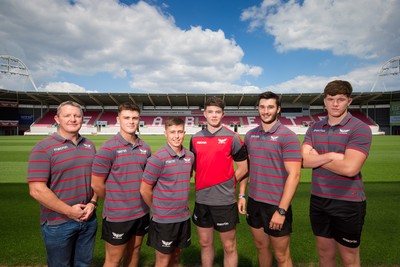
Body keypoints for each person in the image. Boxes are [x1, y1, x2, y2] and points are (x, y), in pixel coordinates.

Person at [302, 80, 372, 267]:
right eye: (331, 99)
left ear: (349, 101)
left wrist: (319, 157)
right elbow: (303, 160)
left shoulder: (360, 128)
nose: (335, 104)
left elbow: (351, 168)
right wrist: (333, 156)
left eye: (340, 99)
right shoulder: (314, 127)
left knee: (349, 258)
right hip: (318, 199)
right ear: (324, 101)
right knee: (324, 255)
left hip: (348, 202)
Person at [27, 101, 98, 267]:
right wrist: (69, 211)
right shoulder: (43, 148)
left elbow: (97, 180)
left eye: (77, 115)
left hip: (88, 219)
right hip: (58, 223)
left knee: (83, 264)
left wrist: (93, 203)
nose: (73, 119)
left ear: (82, 119)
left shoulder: (89, 145)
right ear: (57, 119)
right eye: (67, 115)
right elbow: (36, 190)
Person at [244, 91, 302, 267]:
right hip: (254, 202)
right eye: (262, 107)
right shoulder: (250, 135)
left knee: (281, 255)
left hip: (276, 204)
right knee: (261, 247)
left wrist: (282, 210)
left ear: (278, 109)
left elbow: (295, 175)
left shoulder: (288, 136)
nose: (265, 111)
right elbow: (246, 169)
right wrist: (241, 195)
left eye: (270, 107)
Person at [190, 96, 248, 267]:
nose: (214, 115)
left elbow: (244, 168)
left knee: (229, 247)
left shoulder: (233, 138)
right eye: (210, 112)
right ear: (204, 114)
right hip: (202, 201)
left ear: (223, 114)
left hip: (224, 201)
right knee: (205, 244)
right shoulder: (194, 138)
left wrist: (229, 183)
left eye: (217, 112)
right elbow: (194, 167)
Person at [91, 102, 151, 267]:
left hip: (141, 212)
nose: (131, 121)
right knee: (113, 260)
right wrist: (117, 200)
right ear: (118, 119)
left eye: (135, 118)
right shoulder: (107, 148)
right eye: (127, 117)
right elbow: (97, 185)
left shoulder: (145, 148)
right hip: (118, 215)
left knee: (135, 251)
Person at [140, 117, 194, 267]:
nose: (176, 136)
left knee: (176, 256)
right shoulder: (156, 159)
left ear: (184, 133)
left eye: (180, 132)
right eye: (172, 132)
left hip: (183, 217)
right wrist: (156, 208)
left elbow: (184, 178)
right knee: (163, 261)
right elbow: (145, 189)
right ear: (165, 134)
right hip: (164, 220)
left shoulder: (190, 156)